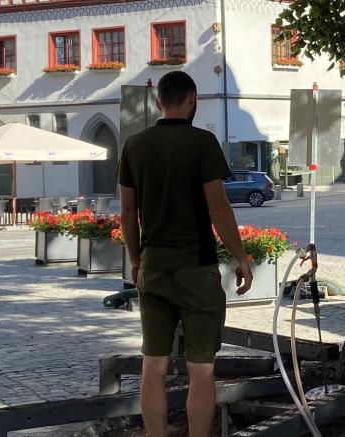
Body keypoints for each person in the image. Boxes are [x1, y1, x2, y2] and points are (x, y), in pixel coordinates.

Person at [118, 71, 253, 437]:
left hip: (154, 269)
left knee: (153, 365)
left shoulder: (134, 145)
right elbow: (218, 207)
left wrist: (135, 260)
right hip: (197, 269)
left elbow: (128, 213)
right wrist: (240, 257)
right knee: (201, 369)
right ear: (192, 99)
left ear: (158, 102)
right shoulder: (203, 143)